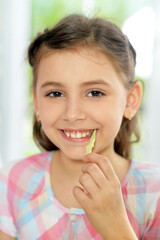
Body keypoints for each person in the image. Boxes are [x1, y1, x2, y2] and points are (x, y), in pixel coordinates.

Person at [0, 14, 160, 240]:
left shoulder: (154, 192)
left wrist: (116, 226)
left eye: (95, 93)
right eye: (55, 93)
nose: (72, 114)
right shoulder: (11, 182)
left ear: (130, 101)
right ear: (37, 103)